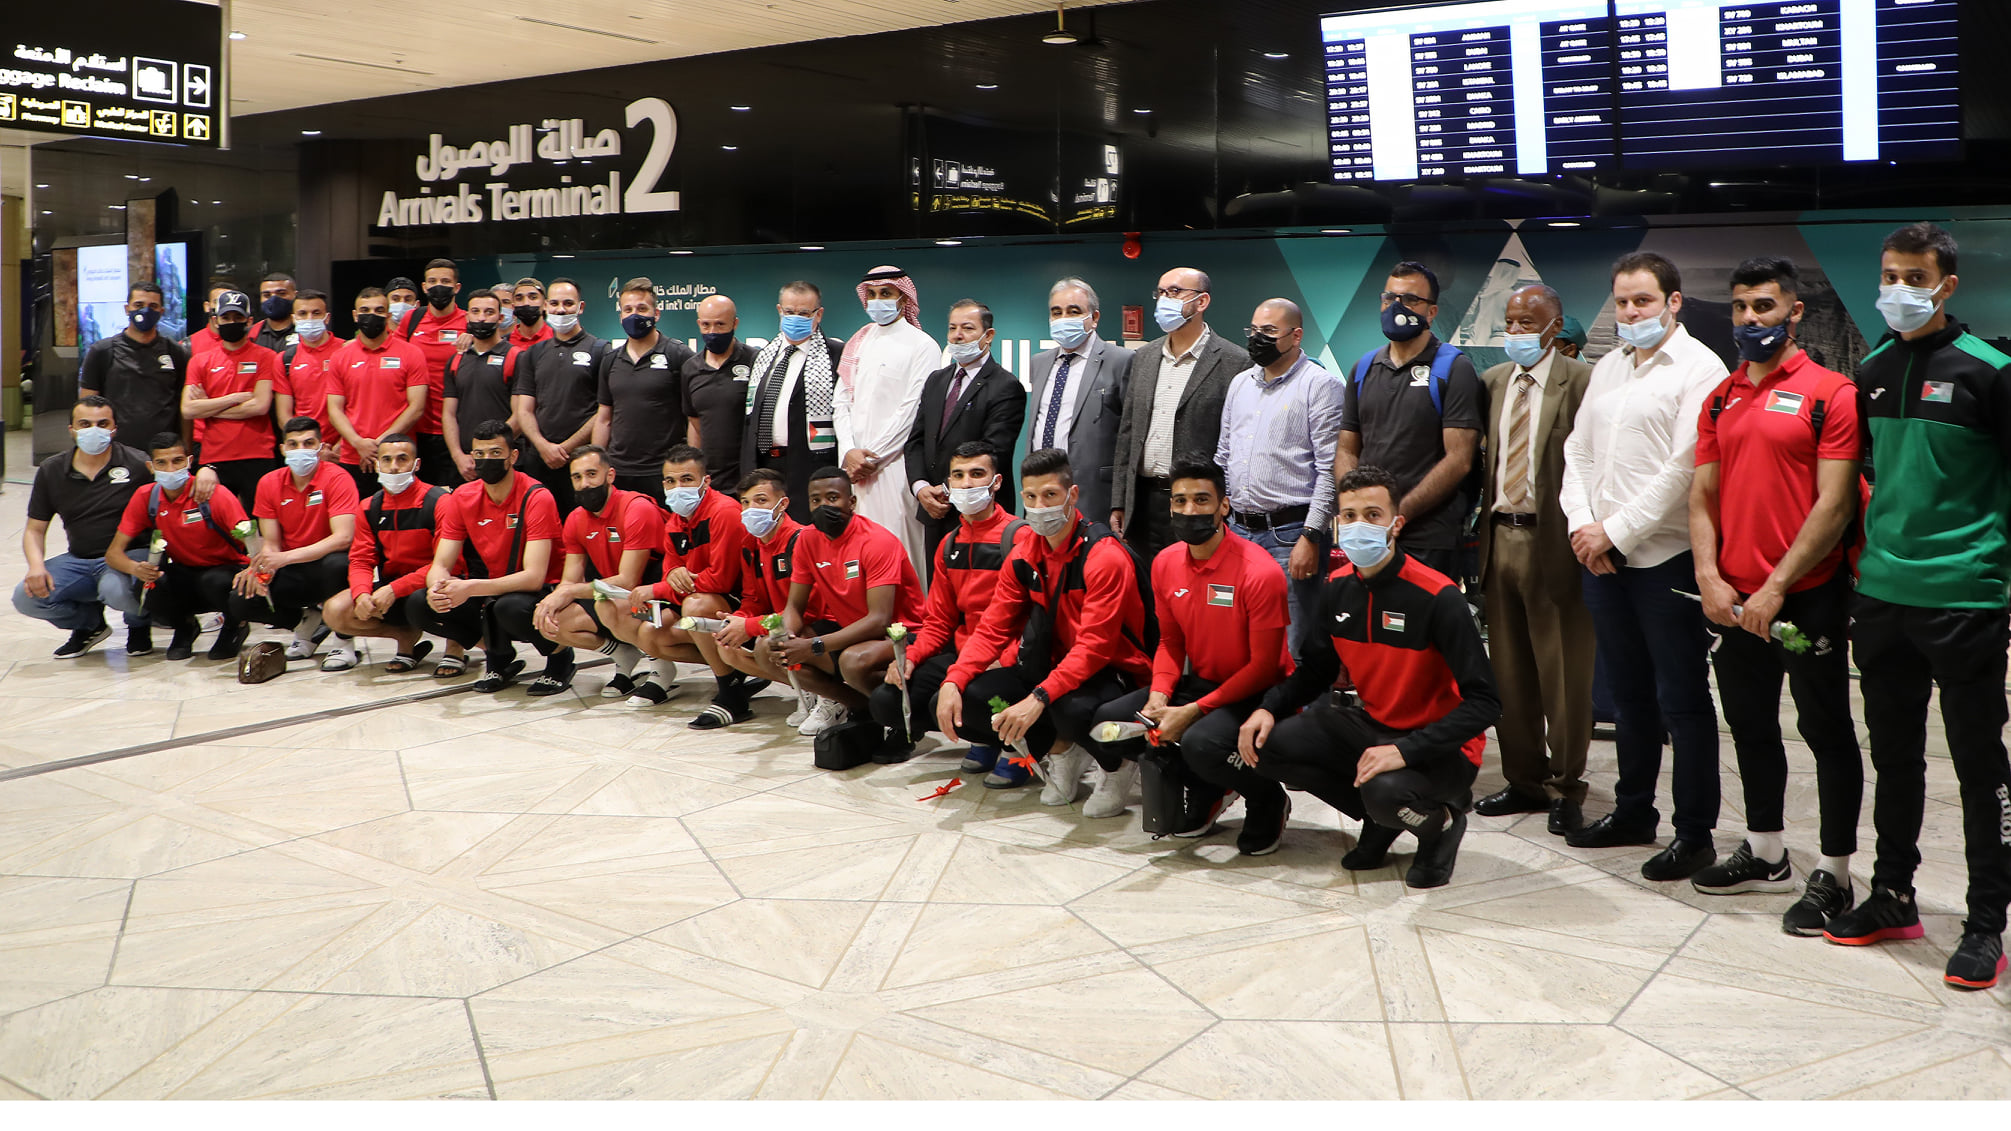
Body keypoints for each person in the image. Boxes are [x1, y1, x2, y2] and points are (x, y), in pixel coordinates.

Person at [1826, 222, 2011, 990]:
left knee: (1978, 768)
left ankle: (1985, 922)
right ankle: (1891, 895)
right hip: (1882, 598)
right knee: (1893, 757)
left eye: (1913, 276)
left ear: (1946, 285)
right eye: (1889, 275)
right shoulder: (1870, 370)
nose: (1897, 289)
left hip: (1964, 598)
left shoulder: (1989, 372)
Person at [1685, 256, 1866, 934]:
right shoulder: (1720, 397)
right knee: (1750, 724)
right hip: (1733, 601)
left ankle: (1835, 873)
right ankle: (1765, 853)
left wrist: (1775, 586)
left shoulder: (1830, 393)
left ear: (1793, 311)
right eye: (1740, 306)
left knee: (1826, 730)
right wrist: (1710, 576)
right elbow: (1701, 495)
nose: (1749, 318)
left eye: (1763, 306)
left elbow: (1834, 504)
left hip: (1807, 594)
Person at [1233, 466, 1499, 887]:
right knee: (1268, 746)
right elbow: (1316, 671)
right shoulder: (1337, 588)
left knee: (1385, 792)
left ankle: (1441, 825)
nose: (1360, 525)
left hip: (1442, 746)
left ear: (1397, 523)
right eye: (1350, 515)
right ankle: (1382, 819)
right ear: (1337, 522)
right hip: (1376, 724)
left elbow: (1486, 703)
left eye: (1373, 515)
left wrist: (1406, 751)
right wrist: (1268, 708)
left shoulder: (1438, 596)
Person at [1559, 251, 1728, 882]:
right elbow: (1578, 452)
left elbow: (1684, 469)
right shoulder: (1608, 365)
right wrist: (1585, 528)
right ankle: (1634, 811)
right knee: (1626, 696)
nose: (1631, 313)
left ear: (1673, 302)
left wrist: (1615, 531)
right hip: (1602, 560)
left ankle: (1695, 834)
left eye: (1643, 301)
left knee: (1681, 700)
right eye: (1623, 302)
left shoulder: (1700, 367)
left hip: (1666, 559)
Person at [1085, 459, 1293, 836]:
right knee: (1109, 721)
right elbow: (1171, 642)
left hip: (1259, 691)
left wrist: (1193, 711)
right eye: (1180, 501)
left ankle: (1267, 798)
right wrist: (1160, 696)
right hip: (1202, 683)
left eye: (1201, 500)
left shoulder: (1260, 572)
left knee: (1200, 740)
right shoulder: (1165, 563)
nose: (1189, 510)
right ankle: (1207, 784)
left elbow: (1265, 666)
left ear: (1224, 506)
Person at [936, 448, 1152, 805]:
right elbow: (992, 628)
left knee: (1070, 709)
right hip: (1055, 664)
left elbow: (1095, 648)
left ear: (1072, 494)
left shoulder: (1104, 556)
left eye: (1050, 495)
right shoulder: (1023, 554)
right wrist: (953, 680)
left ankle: (1117, 766)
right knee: (971, 696)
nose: (1040, 506)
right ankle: (1061, 750)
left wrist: (1038, 697)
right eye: (1032, 497)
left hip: (1115, 672)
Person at [1471, 285, 1597, 836]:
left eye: (1528, 321)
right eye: (1510, 321)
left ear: (1555, 325)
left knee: (1564, 672)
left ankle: (1566, 785)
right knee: (1509, 671)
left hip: (1557, 545)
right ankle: (1523, 778)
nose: (1516, 331)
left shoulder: (1583, 382)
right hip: (1499, 538)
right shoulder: (1493, 383)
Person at [870, 442, 1023, 769]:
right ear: (948, 483)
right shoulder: (949, 544)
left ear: (996, 482)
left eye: (977, 474)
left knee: (966, 698)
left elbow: (1038, 620)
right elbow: (938, 623)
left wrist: (1006, 658)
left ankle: (1013, 745)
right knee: (888, 699)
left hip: (1009, 658)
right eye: (958, 475)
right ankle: (982, 735)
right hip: (966, 652)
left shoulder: (1020, 538)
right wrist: (910, 658)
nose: (966, 484)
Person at [1333, 261, 1485, 578]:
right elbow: (1347, 449)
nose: (1397, 307)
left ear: (1431, 312)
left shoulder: (1453, 368)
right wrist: (1357, 512)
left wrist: (1398, 514)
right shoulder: (1363, 368)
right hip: (1370, 535)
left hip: (1428, 536)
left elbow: (1459, 460)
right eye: (1390, 298)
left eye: (1411, 299)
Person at [1215, 297, 1343, 649]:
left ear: (1296, 335)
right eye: (1254, 330)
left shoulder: (1320, 385)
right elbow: (1224, 455)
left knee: (1292, 644)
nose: (1258, 338)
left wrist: (1311, 535)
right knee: (1239, 638)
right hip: (1237, 530)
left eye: (1269, 331)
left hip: (1290, 536)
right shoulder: (1240, 384)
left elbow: (1330, 469)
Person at [770, 466, 928, 737]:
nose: (823, 506)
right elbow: (795, 605)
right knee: (768, 649)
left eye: (832, 498)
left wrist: (814, 646)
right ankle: (863, 709)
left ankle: (904, 724)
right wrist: (786, 637)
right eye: (816, 500)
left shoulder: (877, 541)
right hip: (850, 630)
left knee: (853, 662)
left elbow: (879, 620)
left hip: (901, 633)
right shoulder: (807, 539)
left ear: (851, 502)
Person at [410, 420, 566, 693]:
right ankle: (498, 654)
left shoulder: (537, 496)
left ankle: (560, 656)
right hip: (491, 586)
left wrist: (470, 588)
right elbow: (441, 563)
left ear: (513, 456)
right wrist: (437, 588)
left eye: (495, 453)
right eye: (479, 454)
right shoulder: (462, 496)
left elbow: (534, 577)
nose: (486, 460)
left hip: (540, 591)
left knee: (508, 607)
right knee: (420, 604)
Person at [1111, 267, 1246, 562]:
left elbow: (1237, 444)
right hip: (1143, 500)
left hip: (1195, 503)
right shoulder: (1143, 357)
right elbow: (1128, 432)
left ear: (1202, 301)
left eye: (1174, 292)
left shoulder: (1235, 362)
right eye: (1161, 293)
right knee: (1145, 583)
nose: (1165, 300)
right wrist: (1119, 500)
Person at [610, 444, 750, 711]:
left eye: (686, 479)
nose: (677, 488)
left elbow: (720, 580)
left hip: (737, 603)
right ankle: (735, 668)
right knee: (650, 633)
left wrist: (659, 588)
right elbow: (670, 573)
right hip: (695, 596)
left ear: (705, 481)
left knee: (695, 607)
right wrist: (670, 580)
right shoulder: (675, 520)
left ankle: (730, 689)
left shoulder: (724, 512)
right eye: (670, 481)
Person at [15, 397, 156, 656]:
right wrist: (36, 566)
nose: (94, 430)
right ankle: (90, 625)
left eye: (102, 424)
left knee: (116, 591)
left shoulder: (137, 463)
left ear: (114, 428)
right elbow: (35, 529)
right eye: (85, 424)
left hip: (127, 556)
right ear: (71, 429)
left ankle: (139, 625)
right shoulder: (52, 470)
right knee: (26, 598)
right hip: (79, 560)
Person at [105, 432, 252, 662]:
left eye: (177, 461)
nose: (171, 469)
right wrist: (136, 569)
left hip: (225, 571)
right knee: (148, 586)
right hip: (184, 571)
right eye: (161, 463)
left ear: (189, 462)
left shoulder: (214, 494)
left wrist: (253, 569)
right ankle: (185, 627)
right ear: (150, 467)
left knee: (214, 581)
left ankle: (236, 625)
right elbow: (113, 554)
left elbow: (251, 539)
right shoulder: (146, 497)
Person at [533, 445, 665, 698]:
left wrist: (569, 591)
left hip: (656, 595)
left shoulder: (636, 507)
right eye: (577, 477)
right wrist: (552, 600)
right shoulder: (575, 519)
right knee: (555, 621)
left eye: (592, 474)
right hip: (617, 594)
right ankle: (623, 657)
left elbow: (628, 581)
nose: (585, 483)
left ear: (610, 475)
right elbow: (570, 580)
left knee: (612, 605)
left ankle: (661, 668)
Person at [320, 434, 457, 674]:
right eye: (386, 460)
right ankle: (405, 637)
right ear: (376, 465)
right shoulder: (369, 506)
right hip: (392, 585)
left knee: (444, 588)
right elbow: (361, 559)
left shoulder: (440, 501)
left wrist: (395, 589)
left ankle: (455, 647)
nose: (393, 467)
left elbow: (450, 565)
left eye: (402, 459)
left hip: (435, 583)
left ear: (417, 464)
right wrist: (362, 593)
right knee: (335, 611)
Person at [905, 299, 1025, 572]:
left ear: (988, 335)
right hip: (934, 511)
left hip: (980, 513)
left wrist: (950, 489)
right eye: (952, 328)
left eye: (968, 328)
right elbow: (916, 441)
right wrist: (921, 488)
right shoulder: (936, 380)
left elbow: (994, 450)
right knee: (939, 591)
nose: (957, 335)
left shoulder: (1005, 386)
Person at [835, 266, 940, 577]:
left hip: (895, 469)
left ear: (903, 298)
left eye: (886, 293)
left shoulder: (922, 345)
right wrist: (850, 452)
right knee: (858, 560)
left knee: (901, 555)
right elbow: (841, 402)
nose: (877, 300)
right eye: (872, 294)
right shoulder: (859, 340)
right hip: (854, 471)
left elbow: (912, 411)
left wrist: (871, 458)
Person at [227, 417, 360, 658]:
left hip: (328, 564)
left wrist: (284, 558)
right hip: (292, 568)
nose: (301, 450)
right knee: (242, 597)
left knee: (339, 563)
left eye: (308, 443)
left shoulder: (338, 478)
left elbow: (343, 538)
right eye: (293, 444)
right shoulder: (269, 483)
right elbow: (271, 543)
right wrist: (262, 567)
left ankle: (343, 642)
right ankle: (304, 624)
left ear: (321, 447)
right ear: (283, 449)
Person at [705, 469, 823, 728]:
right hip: (781, 623)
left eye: (760, 500)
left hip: (816, 626)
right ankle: (807, 690)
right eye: (745, 502)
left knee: (767, 643)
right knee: (727, 646)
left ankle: (829, 695)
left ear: (783, 503)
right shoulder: (751, 543)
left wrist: (749, 626)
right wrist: (736, 620)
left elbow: (810, 611)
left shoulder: (801, 540)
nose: (751, 509)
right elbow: (752, 599)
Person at [1019, 277, 1132, 524]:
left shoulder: (1121, 360)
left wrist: (1121, 501)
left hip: (1094, 496)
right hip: (1041, 491)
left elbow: (1129, 437)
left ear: (1094, 317)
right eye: (1056, 312)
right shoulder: (1039, 362)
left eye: (1073, 311)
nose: (1064, 318)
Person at [738, 282, 845, 521]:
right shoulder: (763, 356)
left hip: (809, 465)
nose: (795, 318)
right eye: (789, 312)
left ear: (819, 314)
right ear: (779, 310)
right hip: (765, 463)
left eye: (804, 313)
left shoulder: (836, 355)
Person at [593, 276, 696, 498]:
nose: (634, 315)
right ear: (620, 315)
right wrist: (597, 464)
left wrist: (692, 465)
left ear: (656, 313)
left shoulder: (678, 355)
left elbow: (694, 419)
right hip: (620, 470)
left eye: (642, 308)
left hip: (666, 471)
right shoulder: (610, 360)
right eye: (628, 309)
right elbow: (604, 418)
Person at [512, 276, 608, 512]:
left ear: (580, 307)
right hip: (539, 459)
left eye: (568, 303)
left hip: (581, 462)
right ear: (545, 306)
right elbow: (524, 410)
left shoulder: (600, 350)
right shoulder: (533, 354)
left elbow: (605, 411)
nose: (561, 310)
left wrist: (565, 448)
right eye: (554, 303)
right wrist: (543, 446)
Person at [327, 287, 430, 496]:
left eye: (379, 310)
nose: (371, 315)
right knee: (356, 513)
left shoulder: (411, 353)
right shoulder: (340, 357)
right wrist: (358, 443)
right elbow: (334, 409)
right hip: (354, 455)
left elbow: (417, 407)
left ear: (388, 315)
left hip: (397, 457)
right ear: (355, 315)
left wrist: (382, 445)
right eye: (365, 310)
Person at [181, 289, 280, 503]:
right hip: (214, 456)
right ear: (215, 320)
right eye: (226, 317)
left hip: (258, 454)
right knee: (215, 519)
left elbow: (260, 406)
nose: (231, 322)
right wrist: (233, 398)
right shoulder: (200, 361)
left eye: (238, 317)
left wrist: (208, 408)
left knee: (261, 519)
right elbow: (188, 409)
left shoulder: (266, 357)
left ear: (249, 321)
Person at [80, 281, 188, 451]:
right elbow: (86, 406)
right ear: (127, 309)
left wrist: (186, 448)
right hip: (117, 451)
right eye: (138, 305)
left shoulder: (175, 352)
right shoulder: (102, 351)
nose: (145, 311)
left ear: (161, 312)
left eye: (153, 306)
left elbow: (184, 407)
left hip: (163, 452)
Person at [395, 258, 468, 486]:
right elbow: (393, 352)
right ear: (424, 287)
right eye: (433, 281)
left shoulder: (469, 322)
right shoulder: (412, 320)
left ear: (457, 287)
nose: (439, 286)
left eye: (445, 281)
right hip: (416, 429)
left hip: (456, 429)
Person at [442, 291, 521, 482]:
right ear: (467, 316)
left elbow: (521, 414)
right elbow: (449, 414)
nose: (482, 318)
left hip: (503, 461)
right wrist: (458, 456)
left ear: (500, 318)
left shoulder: (516, 357)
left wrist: (488, 452)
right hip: (465, 464)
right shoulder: (456, 360)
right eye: (475, 311)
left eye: (489, 312)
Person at [682, 294, 756, 485]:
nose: (712, 332)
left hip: (748, 476)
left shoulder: (755, 360)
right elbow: (694, 423)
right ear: (699, 324)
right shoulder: (690, 368)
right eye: (706, 325)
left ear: (735, 323)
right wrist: (696, 470)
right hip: (710, 478)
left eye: (720, 324)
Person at [274, 290, 347, 439]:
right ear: (293, 318)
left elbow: (358, 405)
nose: (310, 318)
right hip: (304, 445)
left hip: (345, 445)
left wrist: (342, 444)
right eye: (302, 313)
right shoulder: (284, 359)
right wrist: (305, 444)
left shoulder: (346, 351)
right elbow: (284, 416)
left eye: (316, 313)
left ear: (327, 318)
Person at [253, 272, 299, 353]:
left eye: (281, 294)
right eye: (267, 295)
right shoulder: (252, 334)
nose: (273, 299)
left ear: (295, 295)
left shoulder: (306, 331)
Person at [508, 277, 552, 348]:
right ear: (513, 306)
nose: (526, 303)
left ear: (545, 305)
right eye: (519, 299)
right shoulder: (505, 343)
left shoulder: (557, 339)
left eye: (533, 297)